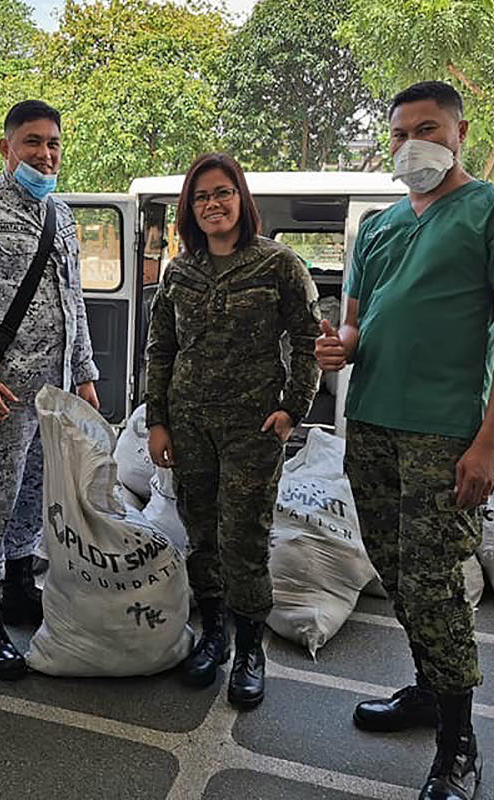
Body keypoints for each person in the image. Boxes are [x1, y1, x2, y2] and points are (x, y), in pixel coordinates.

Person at [316, 81, 494, 800]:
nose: (411, 142)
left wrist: (487, 444)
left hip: (446, 434)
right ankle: (426, 689)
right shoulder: (380, 228)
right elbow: (359, 321)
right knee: (396, 573)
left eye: (427, 127)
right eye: (399, 132)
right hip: (374, 426)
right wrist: (340, 347)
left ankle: (458, 743)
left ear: (459, 132)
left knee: (435, 585)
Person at [144, 153, 321, 709]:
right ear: (188, 211)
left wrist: (294, 408)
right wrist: (157, 420)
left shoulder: (277, 265)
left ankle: (250, 647)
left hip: (252, 427)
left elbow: (307, 340)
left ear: (242, 200)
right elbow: (161, 348)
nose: (212, 205)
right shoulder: (181, 272)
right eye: (200, 198)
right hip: (190, 422)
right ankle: (214, 633)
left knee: (244, 536)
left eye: (222, 193)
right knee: (201, 532)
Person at [0, 100, 99, 680]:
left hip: (50, 393)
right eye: (32, 142)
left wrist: (84, 373)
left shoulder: (64, 217)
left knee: (35, 493)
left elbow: (72, 301)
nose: (44, 153)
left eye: (53, 143)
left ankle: (21, 585)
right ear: (5, 149)